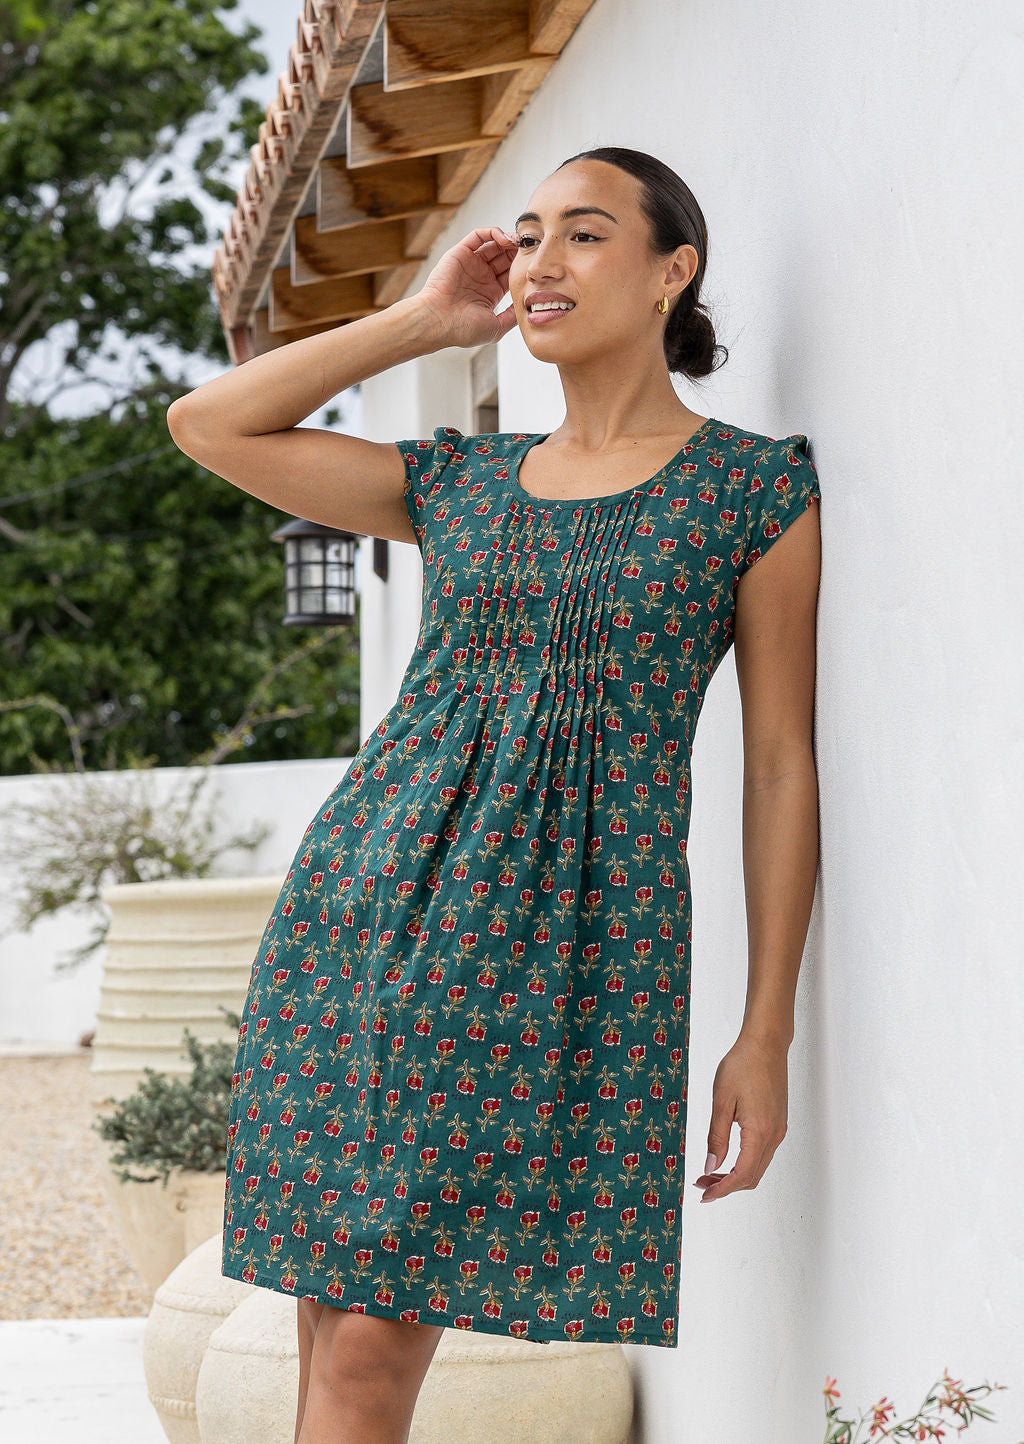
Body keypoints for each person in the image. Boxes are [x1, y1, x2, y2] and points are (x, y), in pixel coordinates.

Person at [167, 145, 822, 1444]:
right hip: (365, 917)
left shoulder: (751, 490)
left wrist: (765, 1031)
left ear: (669, 272)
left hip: (553, 948)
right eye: (528, 239)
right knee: (328, 1333)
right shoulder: (460, 483)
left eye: (583, 235)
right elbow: (208, 425)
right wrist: (424, 321)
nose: (540, 263)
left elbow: (781, 763)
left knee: (366, 1348)